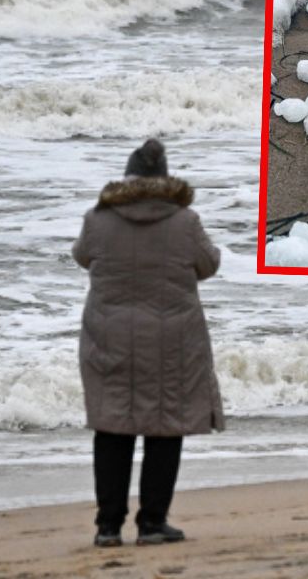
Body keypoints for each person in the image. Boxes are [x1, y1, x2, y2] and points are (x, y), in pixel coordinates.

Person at [72, 138, 224, 547]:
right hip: (172, 339)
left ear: (128, 177)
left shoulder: (97, 219)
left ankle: (107, 526)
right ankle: (152, 522)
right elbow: (208, 264)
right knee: (165, 426)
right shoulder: (185, 221)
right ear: (163, 178)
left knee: (112, 427)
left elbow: (81, 256)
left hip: (110, 336)